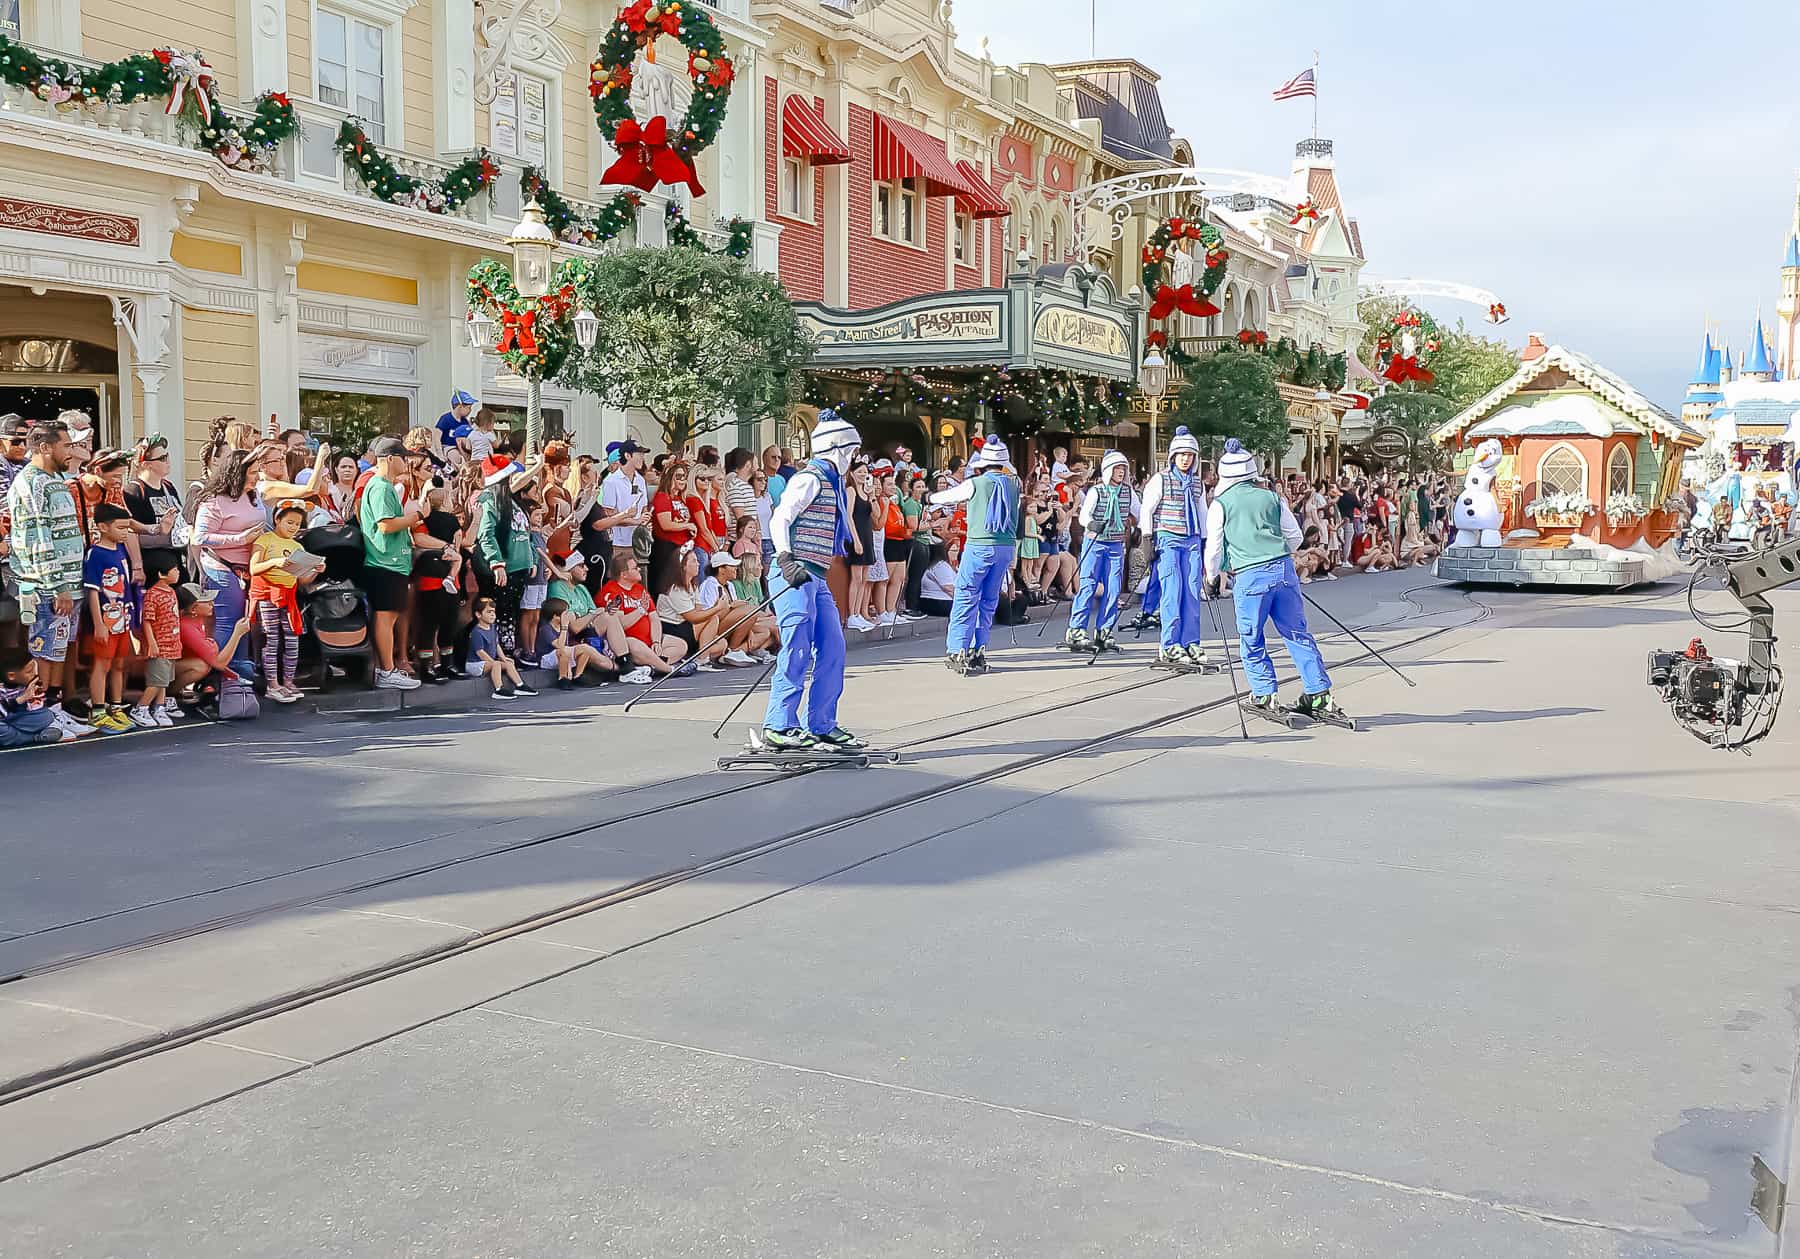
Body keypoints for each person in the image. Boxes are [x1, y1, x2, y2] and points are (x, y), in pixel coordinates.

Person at [1205, 439, 1342, 721]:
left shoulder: (1221, 504)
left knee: (1252, 638)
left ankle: (1265, 694)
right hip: (1283, 572)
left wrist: (1211, 577)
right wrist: (1276, 555)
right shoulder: (1271, 497)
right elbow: (1295, 536)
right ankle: (1319, 695)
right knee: (1297, 633)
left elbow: (1214, 548)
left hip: (1250, 577)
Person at [763, 409, 863, 750]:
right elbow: (780, 519)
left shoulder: (833, 483)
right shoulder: (809, 478)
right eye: (851, 451)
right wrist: (785, 558)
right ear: (837, 449)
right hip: (793, 572)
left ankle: (821, 723)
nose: (854, 457)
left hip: (815, 576)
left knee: (833, 644)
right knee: (797, 647)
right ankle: (780, 724)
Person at [6, 418, 95, 739]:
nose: (70, 451)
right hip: (45, 586)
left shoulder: (54, 479)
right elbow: (37, 539)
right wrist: (57, 586)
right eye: (65, 445)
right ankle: (41, 714)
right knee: (43, 651)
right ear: (44, 447)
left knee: (58, 650)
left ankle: (55, 711)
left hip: (68, 586)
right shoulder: (30, 482)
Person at [928, 435, 1021, 676]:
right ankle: (979, 649)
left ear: (981, 463)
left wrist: (931, 498)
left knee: (966, 595)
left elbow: (945, 497)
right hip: (1005, 548)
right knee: (989, 600)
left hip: (980, 545)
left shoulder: (976, 483)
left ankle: (958, 648)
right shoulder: (1013, 484)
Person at [1139, 426, 1211, 669]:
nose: (1185, 458)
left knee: (1191, 591)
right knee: (1172, 590)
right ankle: (1169, 644)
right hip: (1168, 539)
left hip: (1191, 540)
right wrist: (1147, 538)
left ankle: (1190, 641)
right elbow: (1147, 509)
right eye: (1181, 454)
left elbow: (1203, 512)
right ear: (1172, 456)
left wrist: (1205, 540)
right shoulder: (1161, 479)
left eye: (1190, 454)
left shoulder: (1197, 483)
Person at [359, 437, 423, 690]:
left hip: (392, 562)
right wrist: (417, 517)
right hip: (384, 561)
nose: (406, 462)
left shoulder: (384, 486)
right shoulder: (381, 487)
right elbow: (385, 525)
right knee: (385, 617)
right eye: (403, 457)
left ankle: (387, 668)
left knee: (391, 615)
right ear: (389, 459)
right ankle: (386, 671)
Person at [1068, 451, 1140, 651]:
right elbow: (1084, 516)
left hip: (1116, 545)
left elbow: (1139, 512)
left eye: (1123, 468)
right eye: (1117, 468)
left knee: (1113, 588)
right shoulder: (1097, 491)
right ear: (1108, 470)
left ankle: (1105, 630)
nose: (1121, 472)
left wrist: (1139, 527)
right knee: (1088, 585)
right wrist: (1092, 524)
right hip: (1095, 543)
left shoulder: (1128, 492)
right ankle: (1076, 629)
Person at [248, 501, 316, 703]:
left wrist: (315, 571)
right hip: (267, 595)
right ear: (277, 519)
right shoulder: (264, 540)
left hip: (289, 597)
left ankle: (288, 681)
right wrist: (274, 562)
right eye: (290, 522)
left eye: (297, 524)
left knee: (292, 639)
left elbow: (302, 579)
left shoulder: (297, 546)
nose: (294, 527)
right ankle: (272, 684)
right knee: (271, 639)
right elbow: (254, 568)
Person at [82, 503, 138, 732]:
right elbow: (93, 590)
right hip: (106, 620)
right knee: (102, 664)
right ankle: (97, 710)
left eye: (127, 527)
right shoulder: (95, 554)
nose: (125, 532)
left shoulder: (121, 550)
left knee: (119, 664)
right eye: (120, 527)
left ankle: (116, 707)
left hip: (122, 619)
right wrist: (99, 624)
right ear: (103, 527)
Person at [598, 551, 690, 677]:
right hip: (629, 642)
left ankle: (652, 667)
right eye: (635, 568)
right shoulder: (612, 591)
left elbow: (654, 618)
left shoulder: (639, 589)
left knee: (680, 645)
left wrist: (656, 641)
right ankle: (668, 669)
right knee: (634, 645)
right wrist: (640, 610)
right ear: (624, 574)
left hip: (649, 640)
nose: (639, 569)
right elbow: (620, 624)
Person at [655, 544, 730, 671]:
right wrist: (717, 608)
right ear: (683, 566)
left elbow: (699, 609)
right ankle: (702, 659)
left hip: (687, 626)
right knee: (713, 618)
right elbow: (693, 617)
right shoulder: (675, 588)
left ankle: (696, 655)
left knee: (721, 643)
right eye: (694, 561)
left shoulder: (692, 585)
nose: (698, 564)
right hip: (674, 627)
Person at [122, 436, 185, 584]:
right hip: (152, 561)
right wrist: (137, 567)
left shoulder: (168, 487)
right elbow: (130, 530)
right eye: (162, 458)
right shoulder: (134, 490)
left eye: (167, 456)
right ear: (146, 464)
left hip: (174, 557)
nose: (168, 461)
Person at [134, 555, 183, 727]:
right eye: (175, 569)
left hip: (172, 645)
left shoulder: (171, 592)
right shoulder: (152, 595)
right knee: (156, 681)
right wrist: (152, 643)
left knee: (164, 681)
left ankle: (159, 707)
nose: (178, 572)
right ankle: (141, 708)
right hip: (160, 646)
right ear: (162, 574)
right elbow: (147, 621)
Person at [466, 595, 535, 699]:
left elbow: (496, 644)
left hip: (489, 662)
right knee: (497, 664)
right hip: (475, 664)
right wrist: (493, 662)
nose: (493, 615)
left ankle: (520, 686)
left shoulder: (493, 627)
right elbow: (480, 652)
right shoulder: (476, 632)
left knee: (508, 663)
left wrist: (503, 659)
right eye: (489, 612)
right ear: (478, 614)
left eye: (493, 612)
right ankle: (498, 689)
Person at [0, 655, 62, 747]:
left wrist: (53, 697)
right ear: (12, 676)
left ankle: (53, 726)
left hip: (42, 721)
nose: (34, 674)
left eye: (35, 670)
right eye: (29, 672)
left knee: (54, 720)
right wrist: (22, 698)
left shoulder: (33, 684)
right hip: (18, 725)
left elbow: (43, 701)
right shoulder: (3, 690)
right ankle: (32, 738)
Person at [918, 540, 957, 616]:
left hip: (937, 602)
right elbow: (948, 588)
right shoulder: (940, 565)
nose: (956, 553)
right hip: (938, 602)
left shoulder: (944, 565)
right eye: (953, 551)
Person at [436, 390, 477, 454]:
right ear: (460, 406)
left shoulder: (465, 421)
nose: (470, 410)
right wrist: (440, 455)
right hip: (449, 451)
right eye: (468, 408)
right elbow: (437, 438)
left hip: (463, 452)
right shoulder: (445, 419)